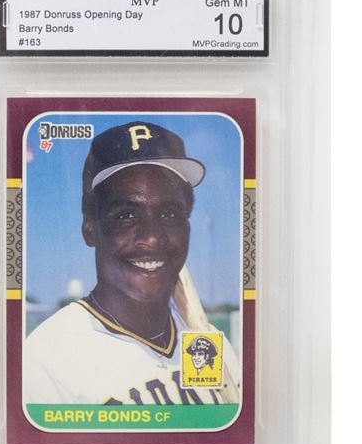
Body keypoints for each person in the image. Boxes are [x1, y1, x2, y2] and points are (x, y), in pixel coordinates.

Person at [23, 121, 240, 405]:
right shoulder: (45, 362)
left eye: (170, 214)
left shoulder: (209, 344)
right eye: (126, 216)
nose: (151, 237)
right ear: (90, 229)